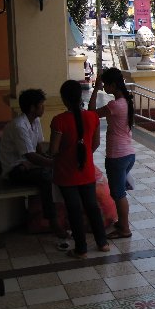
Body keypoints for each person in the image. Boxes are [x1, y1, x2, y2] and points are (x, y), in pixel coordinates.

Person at [50, 80, 109, 259]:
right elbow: (95, 144)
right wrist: (84, 155)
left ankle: (81, 249)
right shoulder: (92, 117)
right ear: (80, 96)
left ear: (64, 99)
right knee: (92, 207)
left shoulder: (59, 121)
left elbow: (53, 150)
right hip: (87, 171)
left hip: (66, 173)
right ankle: (103, 243)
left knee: (74, 210)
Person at [0, 89, 66, 238]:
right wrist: (53, 163)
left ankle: (63, 216)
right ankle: (53, 222)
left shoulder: (35, 121)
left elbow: (37, 147)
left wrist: (48, 158)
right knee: (47, 177)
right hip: (15, 170)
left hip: (27, 165)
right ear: (32, 108)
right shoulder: (19, 126)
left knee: (55, 174)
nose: (44, 108)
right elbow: (30, 156)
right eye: (41, 105)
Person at [88, 68, 135, 239]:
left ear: (113, 85)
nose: (104, 87)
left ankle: (125, 229)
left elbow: (91, 113)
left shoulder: (115, 105)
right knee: (119, 191)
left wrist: (95, 89)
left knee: (118, 193)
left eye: (105, 84)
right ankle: (122, 223)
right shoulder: (125, 102)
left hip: (117, 155)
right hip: (128, 153)